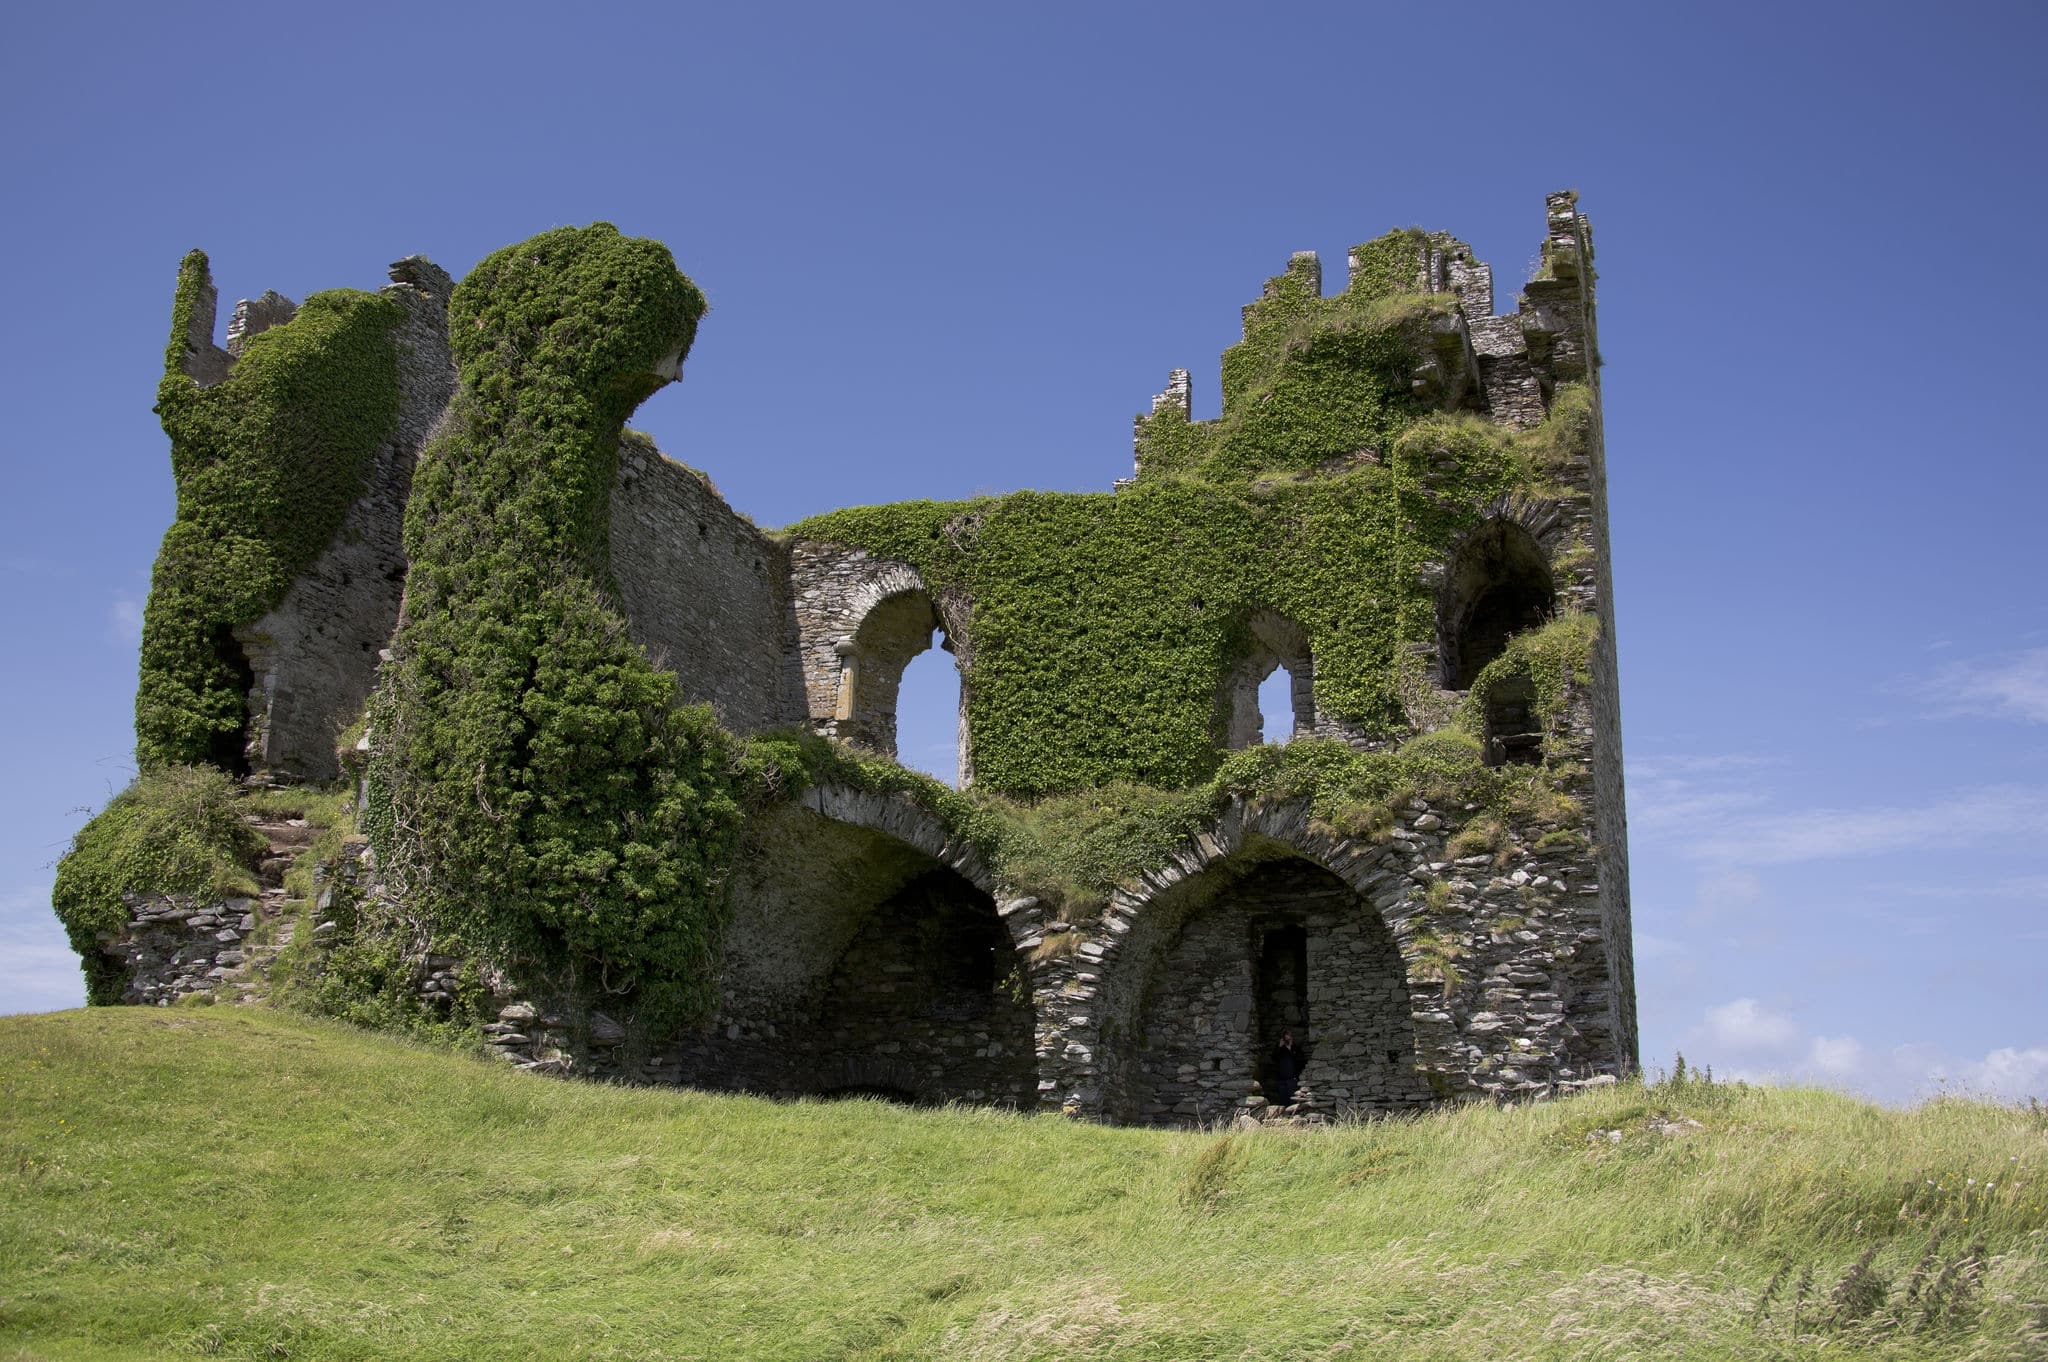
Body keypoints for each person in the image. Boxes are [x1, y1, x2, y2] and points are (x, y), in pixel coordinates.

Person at [1269, 1030, 1303, 1105]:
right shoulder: (1280, 1049)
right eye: (1286, 1039)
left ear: (1292, 1038)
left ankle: (1292, 1112)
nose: (1287, 1040)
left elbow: (1299, 1060)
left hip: (1292, 1077)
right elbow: (1274, 1058)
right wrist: (1279, 1047)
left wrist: (1290, 1048)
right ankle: (1284, 1112)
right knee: (1283, 1097)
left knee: (1293, 1097)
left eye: (1289, 1038)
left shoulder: (1296, 1048)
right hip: (1281, 1077)